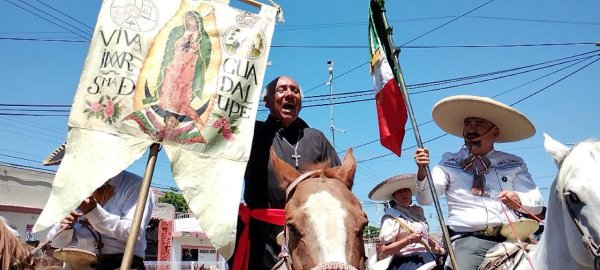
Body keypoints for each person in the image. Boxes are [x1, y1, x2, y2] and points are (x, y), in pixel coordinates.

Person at [413, 95, 544, 269]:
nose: (471, 129)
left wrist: (518, 200)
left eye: (479, 124)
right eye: (468, 124)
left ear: (495, 132)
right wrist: (422, 171)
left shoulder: (514, 163)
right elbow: (426, 198)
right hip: (470, 241)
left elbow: (536, 203)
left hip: (514, 235)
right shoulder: (449, 162)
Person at [228, 76, 341, 270]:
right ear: (267, 101)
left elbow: (338, 185)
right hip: (262, 240)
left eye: (294, 90)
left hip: (310, 239)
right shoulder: (251, 133)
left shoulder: (316, 138)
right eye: (281, 90)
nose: (289, 94)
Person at [44, 145, 154, 270]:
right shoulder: (77, 188)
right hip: (78, 264)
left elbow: (132, 233)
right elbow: (56, 243)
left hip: (122, 264)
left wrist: (93, 212)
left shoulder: (136, 186)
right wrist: (64, 228)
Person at [368, 174, 444, 270]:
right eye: (399, 192)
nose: (404, 194)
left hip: (428, 256)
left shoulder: (418, 212)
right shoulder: (391, 217)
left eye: (406, 190)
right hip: (406, 261)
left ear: (410, 192)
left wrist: (441, 249)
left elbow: (426, 241)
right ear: (393, 196)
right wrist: (409, 240)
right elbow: (385, 250)